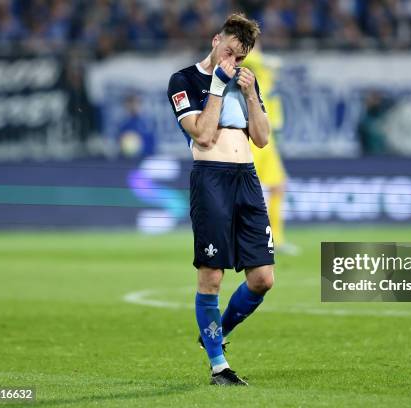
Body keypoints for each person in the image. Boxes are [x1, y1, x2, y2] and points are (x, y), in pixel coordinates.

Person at [167, 13, 274, 386]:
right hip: (211, 179)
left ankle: (214, 332)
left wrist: (249, 94)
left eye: (240, 58)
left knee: (263, 278)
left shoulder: (246, 81)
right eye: (229, 51)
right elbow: (203, 135)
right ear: (216, 40)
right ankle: (219, 367)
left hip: (246, 178)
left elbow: (261, 139)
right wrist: (217, 86)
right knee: (211, 276)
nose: (233, 62)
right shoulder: (184, 80)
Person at [243, 42, 299, 255]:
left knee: (278, 186)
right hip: (252, 135)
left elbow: (272, 96)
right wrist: (265, 59)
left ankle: (276, 239)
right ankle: (240, 237)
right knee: (247, 189)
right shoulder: (247, 62)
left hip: (269, 136)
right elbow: (242, 57)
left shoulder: (263, 68)